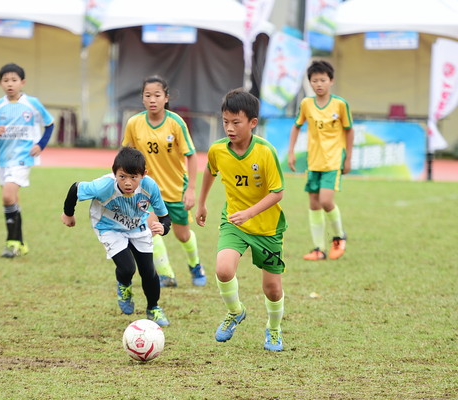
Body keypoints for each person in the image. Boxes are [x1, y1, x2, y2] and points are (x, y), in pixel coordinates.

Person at [196, 88, 287, 352]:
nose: (229, 128)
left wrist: (250, 212)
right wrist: (201, 203)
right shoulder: (218, 150)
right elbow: (209, 171)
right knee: (223, 269)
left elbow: (278, 192)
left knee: (272, 289)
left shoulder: (265, 152)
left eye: (236, 122)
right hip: (233, 222)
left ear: (252, 123)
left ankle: (273, 329)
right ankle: (235, 311)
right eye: (225, 121)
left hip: (267, 228)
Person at [61, 146, 171, 327]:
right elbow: (75, 188)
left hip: (137, 225)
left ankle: (153, 308)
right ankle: (124, 286)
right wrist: (68, 213)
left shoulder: (150, 186)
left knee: (148, 271)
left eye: (133, 177)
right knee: (127, 268)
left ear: (143, 174)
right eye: (122, 176)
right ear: (115, 173)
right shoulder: (104, 186)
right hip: (108, 226)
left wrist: (163, 227)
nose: (128, 182)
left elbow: (165, 216)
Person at [122, 75, 206, 288]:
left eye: (157, 95)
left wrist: (192, 189)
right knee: (150, 229)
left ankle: (195, 265)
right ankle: (166, 274)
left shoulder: (175, 123)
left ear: (166, 97)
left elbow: (192, 155)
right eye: (147, 95)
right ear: (142, 98)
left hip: (175, 189)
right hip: (146, 191)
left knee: (183, 235)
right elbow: (125, 154)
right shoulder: (134, 123)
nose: (152, 99)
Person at [0, 63, 55, 258]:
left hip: (23, 158)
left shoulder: (32, 103)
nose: (10, 84)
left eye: (14, 80)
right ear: (0, 83)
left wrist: (41, 145)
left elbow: (49, 124)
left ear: (22, 82)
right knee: (12, 200)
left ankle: (11, 242)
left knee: (7, 196)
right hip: (4, 159)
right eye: (6, 80)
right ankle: (20, 243)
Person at [287, 60, 354, 261]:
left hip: (333, 161)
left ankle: (339, 236)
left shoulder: (340, 105)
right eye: (315, 80)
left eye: (323, 80)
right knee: (314, 204)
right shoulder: (306, 104)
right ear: (310, 82)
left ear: (331, 81)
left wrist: (348, 158)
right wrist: (291, 152)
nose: (319, 84)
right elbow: (296, 126)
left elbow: (349, 131)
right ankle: (318, 248)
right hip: (313, 162)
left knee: (326, 200)